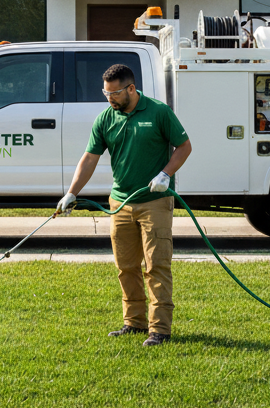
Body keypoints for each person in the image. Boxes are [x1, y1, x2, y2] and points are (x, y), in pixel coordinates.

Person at [57, 63, 192, 346]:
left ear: (131, 88)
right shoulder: (106, 118)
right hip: (120, 203)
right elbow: (90, 158)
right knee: (126, 266)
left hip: (154, 202)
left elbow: (184, 147)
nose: (110, 99)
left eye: (115, 94)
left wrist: (165, 174)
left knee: (156, 266)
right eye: (106, 94)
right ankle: (134, 323)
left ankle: (160, 330)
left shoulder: (158, 112)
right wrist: (71, 193)